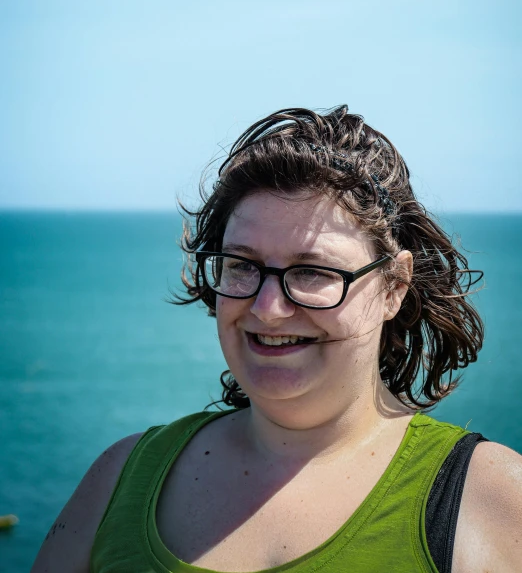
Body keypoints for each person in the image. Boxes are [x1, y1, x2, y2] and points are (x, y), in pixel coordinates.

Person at [32, 106, 522, 573]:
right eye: (243, 266)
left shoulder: (492, 499)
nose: (268, 308)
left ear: (393, 286)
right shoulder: (120, 479)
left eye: (311, 272)